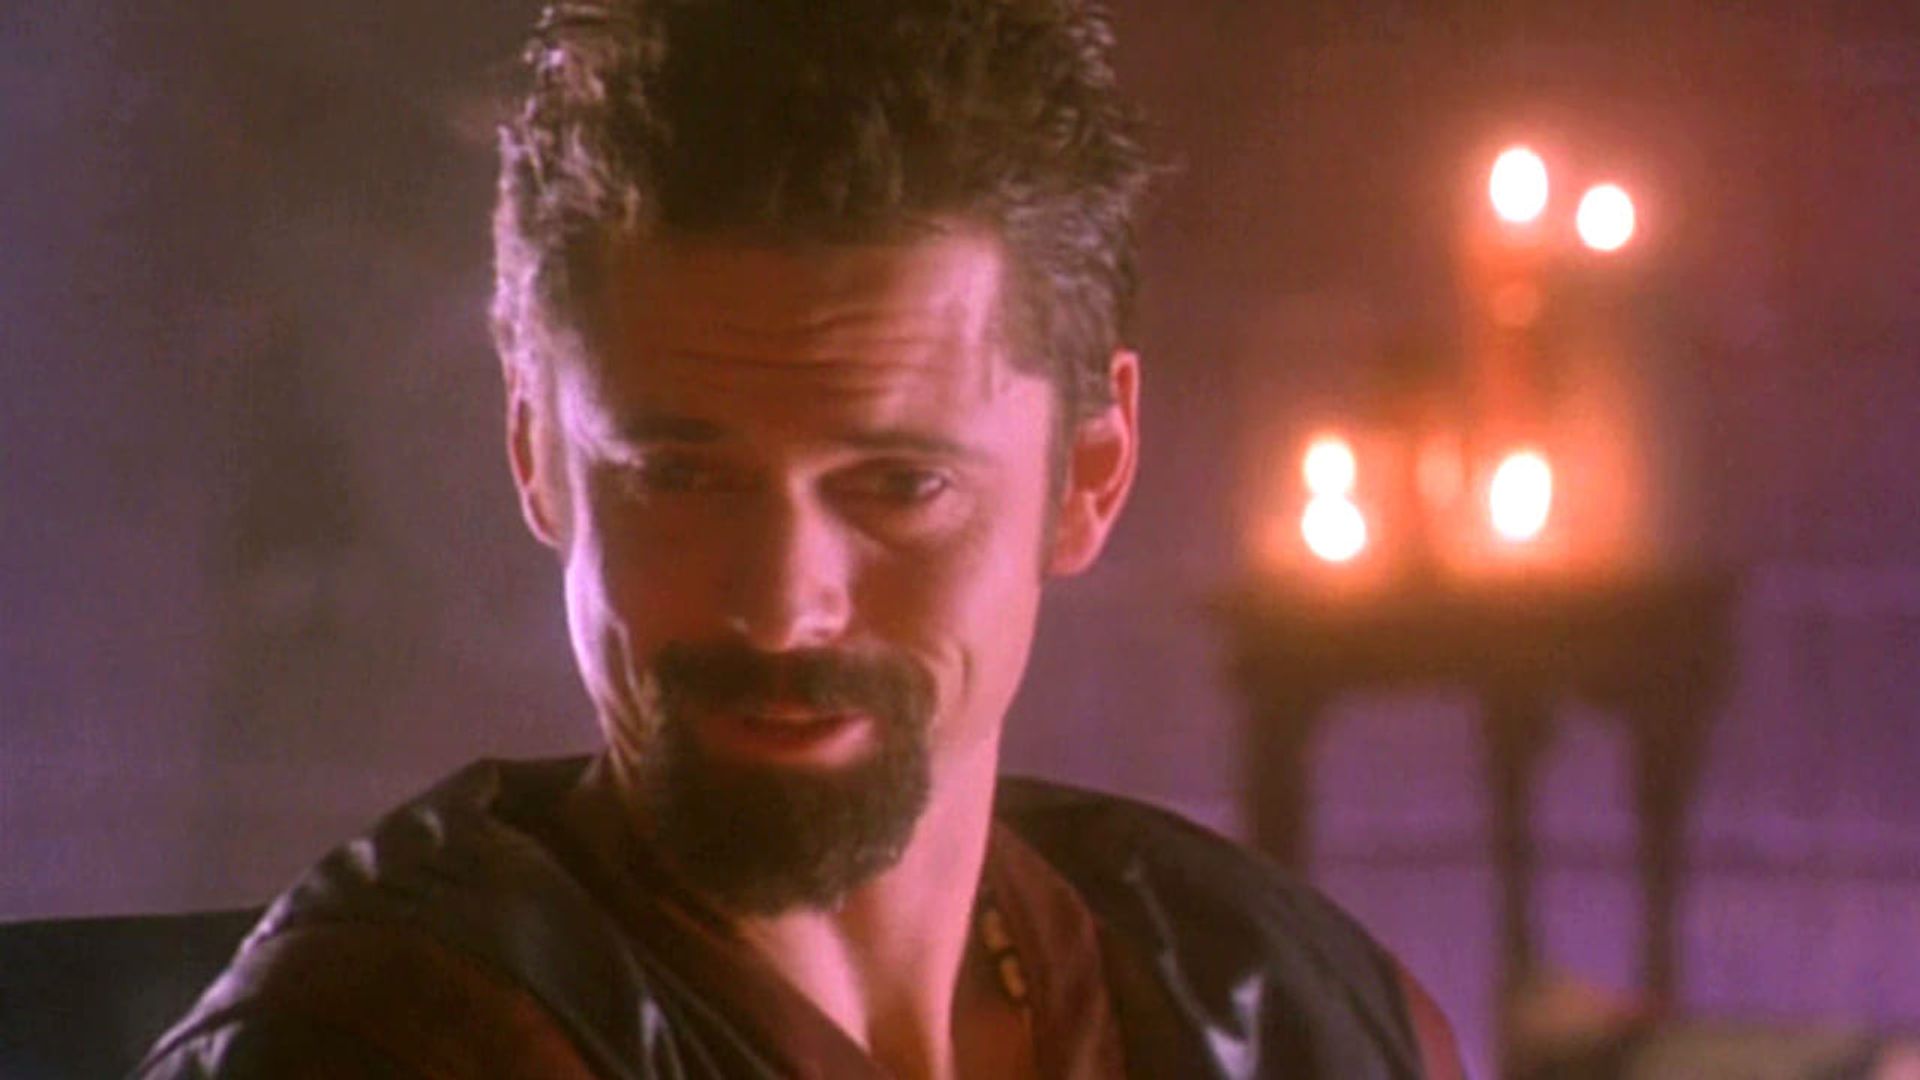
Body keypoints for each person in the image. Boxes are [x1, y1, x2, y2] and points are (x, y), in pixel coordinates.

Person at [142, 0, 1461, 1076]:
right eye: (678, 475)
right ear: (536, 450)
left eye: (899, 486)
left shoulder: (1298, 1021)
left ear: (1090, 473)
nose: (780, 605)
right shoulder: (387, 1050)